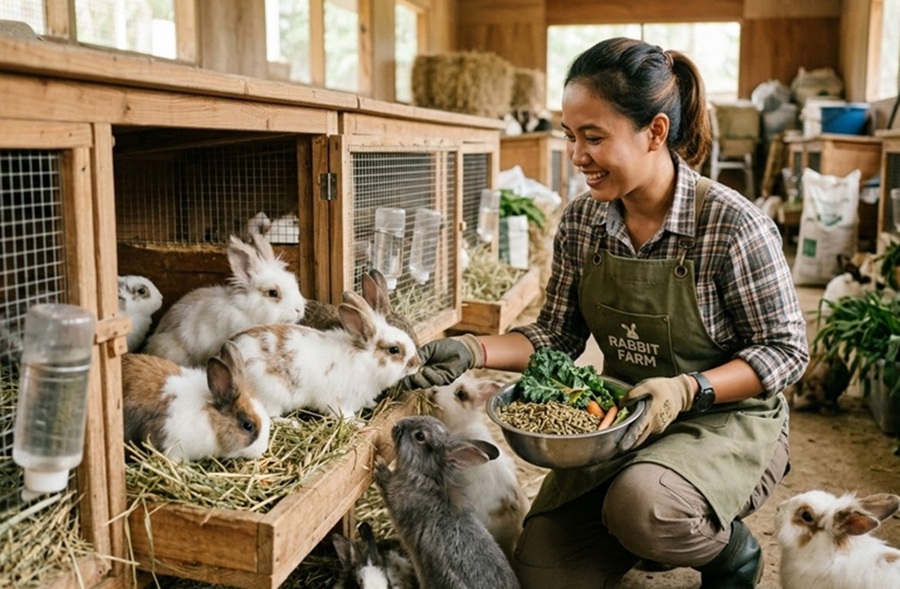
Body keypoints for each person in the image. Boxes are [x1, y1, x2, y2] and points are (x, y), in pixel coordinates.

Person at [402, 36, 809, 588]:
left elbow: (787, 350)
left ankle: (729, 553)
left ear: (655, 133)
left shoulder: (732, 224)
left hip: (726, 419)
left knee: (643, 507)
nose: (576, 156)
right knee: (542, 572)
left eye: (593, 138)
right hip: (620, 417)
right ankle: (649, 526)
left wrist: (688, 390)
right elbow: (555, 335)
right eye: (571, 136)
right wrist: (474, 348)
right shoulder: (582, 223)